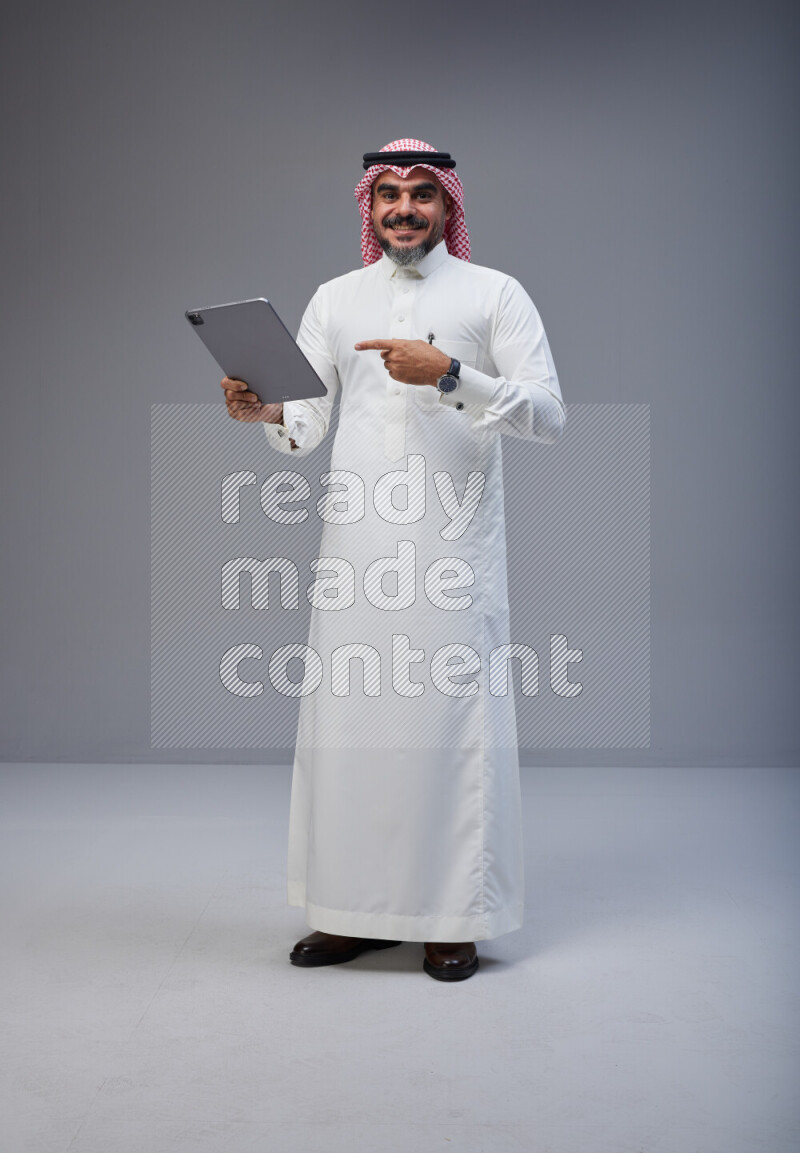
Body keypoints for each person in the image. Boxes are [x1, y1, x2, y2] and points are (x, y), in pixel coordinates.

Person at [221, 138, 566, 981]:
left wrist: (451, 372)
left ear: (448, 206)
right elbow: (305, 427)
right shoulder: (337, 300)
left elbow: (549, 415)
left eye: (422, 194)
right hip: (357, 550)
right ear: (368, 209)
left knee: (448, 731)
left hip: (453, 552)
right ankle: (350, 914)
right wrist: (264, 408)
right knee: (352, 730)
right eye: (389, 195)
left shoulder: (496, 294)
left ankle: (454, 917)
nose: (405, 208)